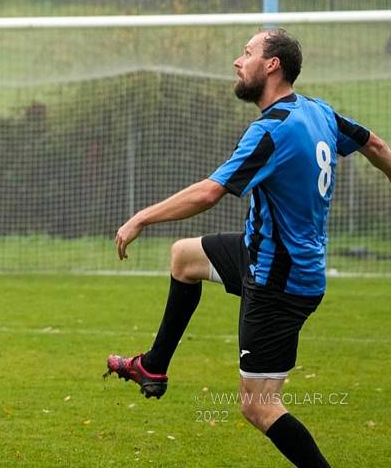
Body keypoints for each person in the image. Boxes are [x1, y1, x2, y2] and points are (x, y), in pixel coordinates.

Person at [105, 29, 391, 468]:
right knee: (184, 257)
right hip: (267, 253)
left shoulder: (272, 130)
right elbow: (374, 145)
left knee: (258, 406)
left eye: (247, 53)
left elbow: (210, 192)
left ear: (272, 65)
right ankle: (154, 366)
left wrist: (141, 217)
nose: (238, 62)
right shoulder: (319, 112)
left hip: (280, 280)